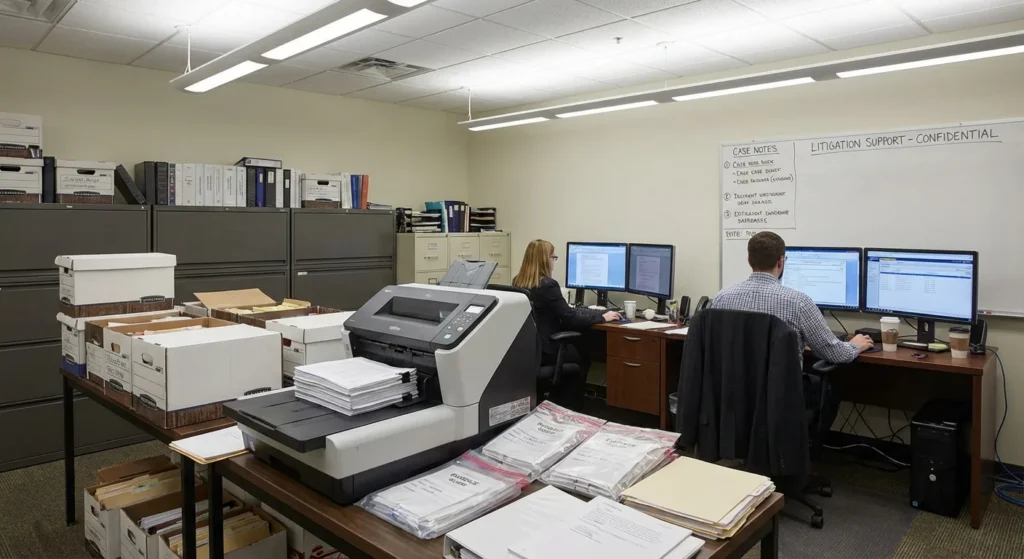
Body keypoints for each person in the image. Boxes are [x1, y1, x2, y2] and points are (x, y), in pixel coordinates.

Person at [712, 231, 873, 362]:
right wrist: (855, 345)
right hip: (779, 391)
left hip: (731, 390)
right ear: (781, 262)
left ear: (749, 261)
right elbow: (835, 354)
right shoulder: (799, 302)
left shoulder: (721, 298)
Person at [513, 239, 620, 411]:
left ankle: (558, 403)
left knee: (581, 346)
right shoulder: (547, 285)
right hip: (548, 349)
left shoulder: (518, 282)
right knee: (584, 354)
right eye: (553, 257)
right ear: (544, 259)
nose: (553, 261)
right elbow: (571, 318)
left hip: (531, 349)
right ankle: (569, 407)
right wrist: (602, 317)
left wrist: (567, 308)